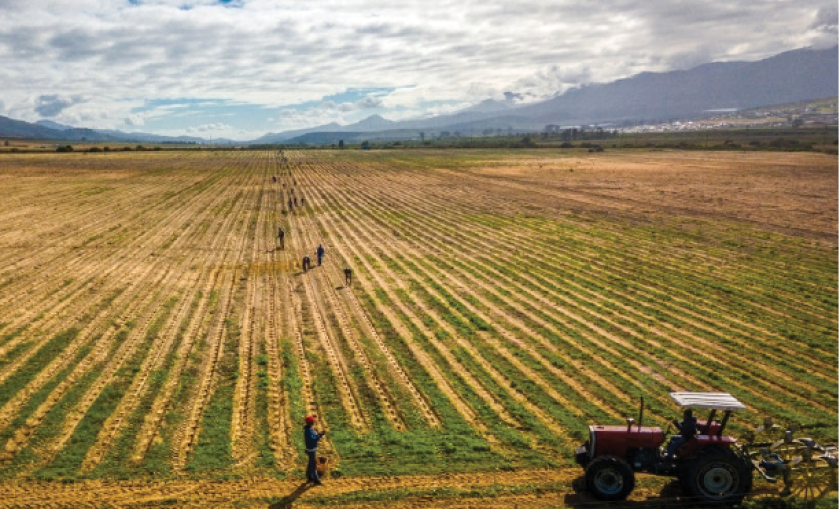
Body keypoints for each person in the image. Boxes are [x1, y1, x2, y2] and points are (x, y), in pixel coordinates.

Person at [303, 415, 325, 485]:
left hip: (310, 449)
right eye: (313, 422)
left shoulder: (309, 429)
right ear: (310, 423)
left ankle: (309, 476)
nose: (313, 423)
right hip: (311, 450)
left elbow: (313, 437)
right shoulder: (308, 431)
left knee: (310, 463)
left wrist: (318, 434)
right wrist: (320, 435)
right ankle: (316, 480)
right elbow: (313, 439)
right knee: (313, 465)